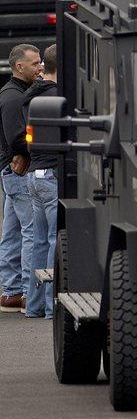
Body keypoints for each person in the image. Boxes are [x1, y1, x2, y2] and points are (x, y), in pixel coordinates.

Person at [0, 44, 40, 313]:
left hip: (9, 171)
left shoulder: (15, 92)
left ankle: (10, 291)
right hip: (18, 170)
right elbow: (17, 137)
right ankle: (26, 292)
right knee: (30, 232)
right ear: (19, 67)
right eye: (35, 64)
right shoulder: (14, 98)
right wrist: (34, 150)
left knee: (12, 232)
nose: (40, 68)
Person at [23, 44, 58, 319]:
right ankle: (50, 307)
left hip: (34, 176)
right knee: (55, 241)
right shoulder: (59, 96)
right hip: (52, 175)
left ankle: (34, 306)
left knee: (38, 242)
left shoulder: (29, 96)